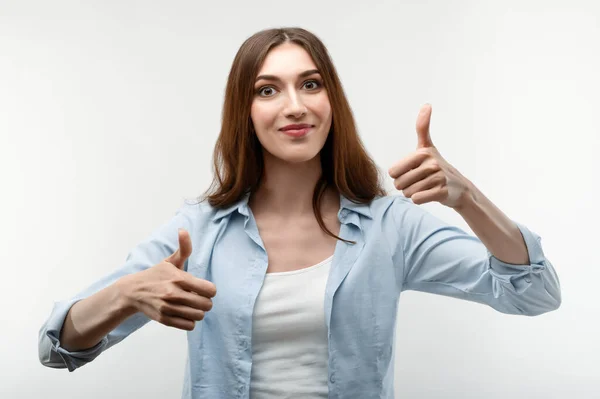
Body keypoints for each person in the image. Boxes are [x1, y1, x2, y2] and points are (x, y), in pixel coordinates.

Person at [38, 27, 561, 399]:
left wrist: (466, 197)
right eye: (268, 89)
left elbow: (534, 292)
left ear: (331, 101)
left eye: (311, 84)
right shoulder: (197, 230)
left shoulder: (392, 226)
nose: (295, 105)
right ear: (245, 112)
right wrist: (126, 293)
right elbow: (59, 346)